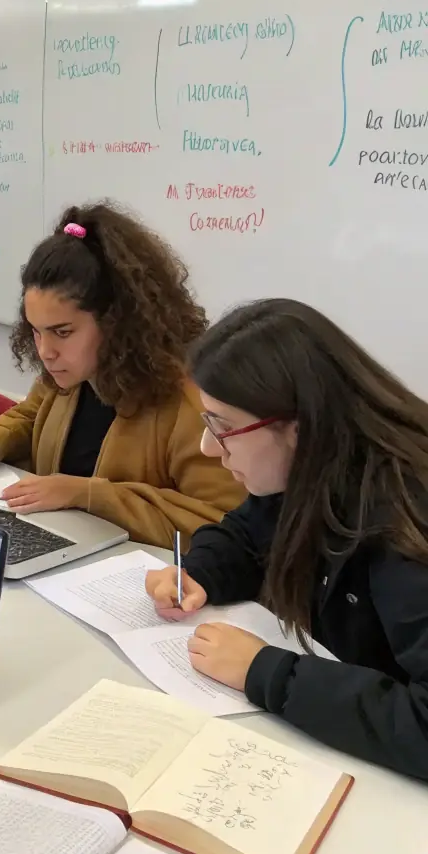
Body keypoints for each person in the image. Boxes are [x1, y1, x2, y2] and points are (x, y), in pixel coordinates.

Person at [146, 298, 428, 782]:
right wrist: (200, 572)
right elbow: (246, 534)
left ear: (296, 428)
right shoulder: (316, 467)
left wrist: (266, 673)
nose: (208, 448)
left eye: (223, 428)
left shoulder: (406, 521)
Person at [0, 203, 243, 546]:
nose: (45, 351)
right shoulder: (71, 375)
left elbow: (222, 526)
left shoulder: (193, 401)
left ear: (116, 322)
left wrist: (89, 495)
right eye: (36, 331)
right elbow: (32, 414)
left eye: (62, 332)